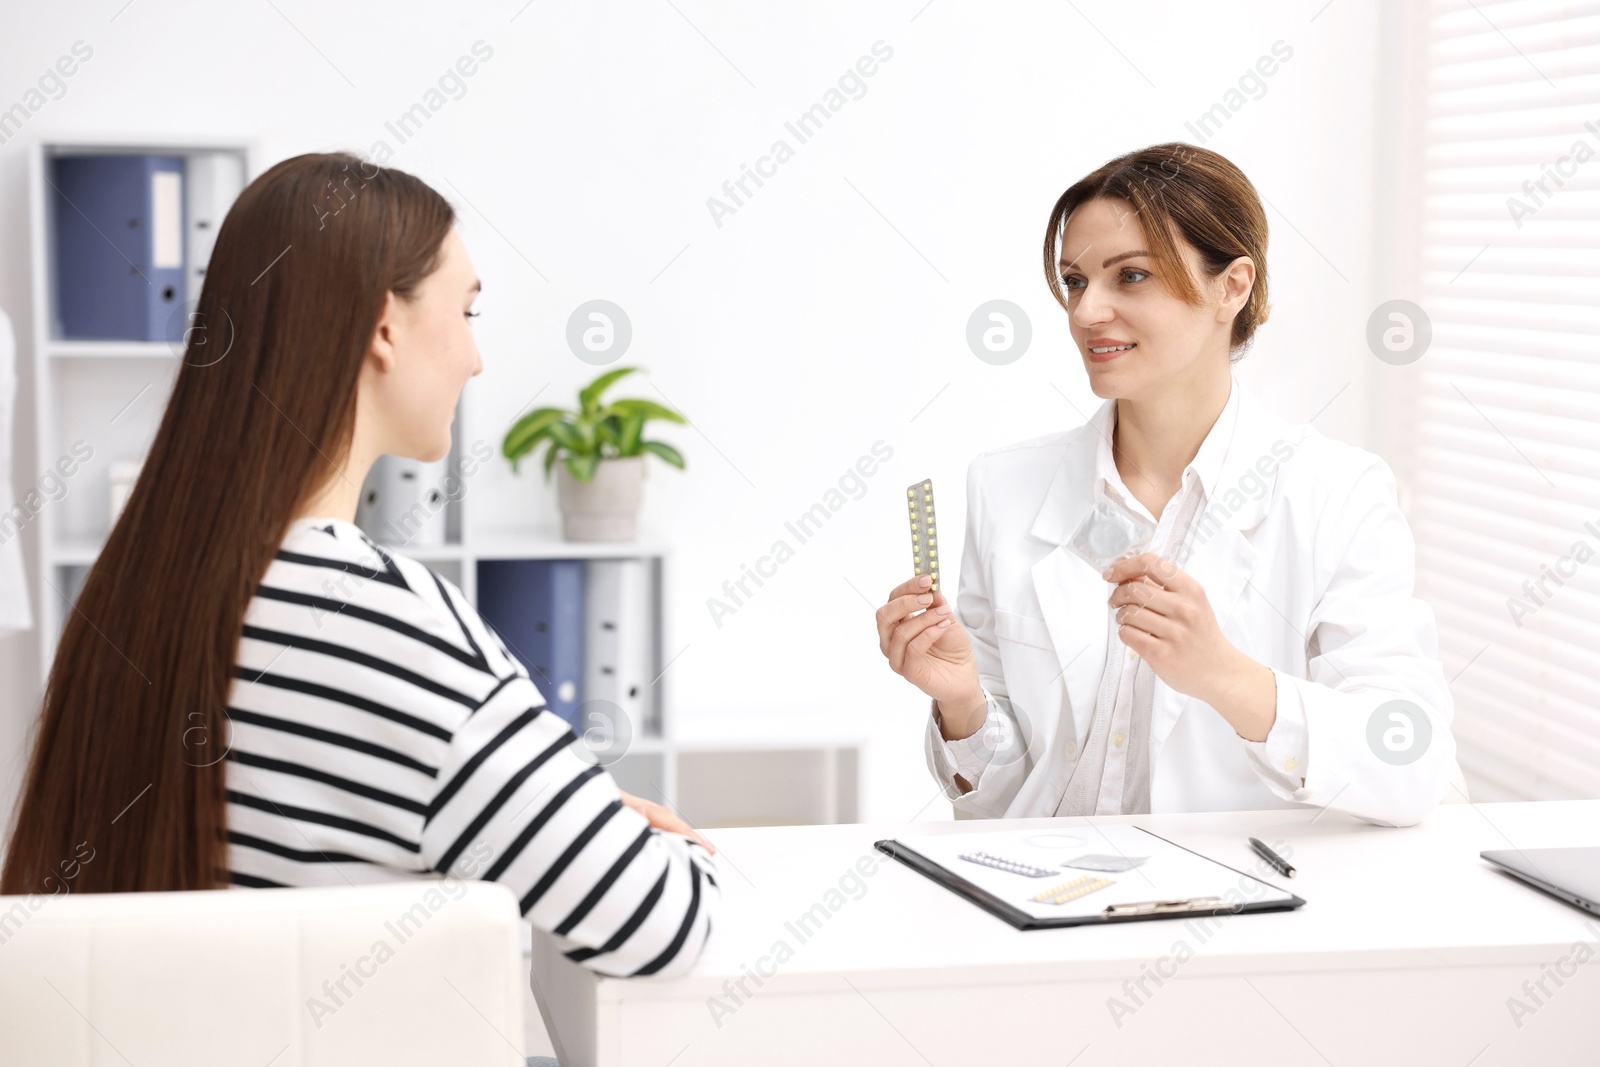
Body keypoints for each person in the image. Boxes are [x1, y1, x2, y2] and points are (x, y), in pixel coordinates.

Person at [2, 153, 717, 985]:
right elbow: (664, 927)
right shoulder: (397, 624)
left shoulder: (133, 593)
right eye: (468, 311)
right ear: (384, 327)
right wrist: (655, 841)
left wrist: (546, 818)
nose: (476, 360)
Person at [875, 142, 1459, 828]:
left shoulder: (1337, 494)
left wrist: (1224, 677)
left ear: (1232, 286)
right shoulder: (1005, 489)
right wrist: (963, 702)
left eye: (1130, 276)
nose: (1087, 311)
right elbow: (1005, 802)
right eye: (1074, 280)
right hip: (1037, 902)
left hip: (1234, 908)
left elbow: (1411, 766)